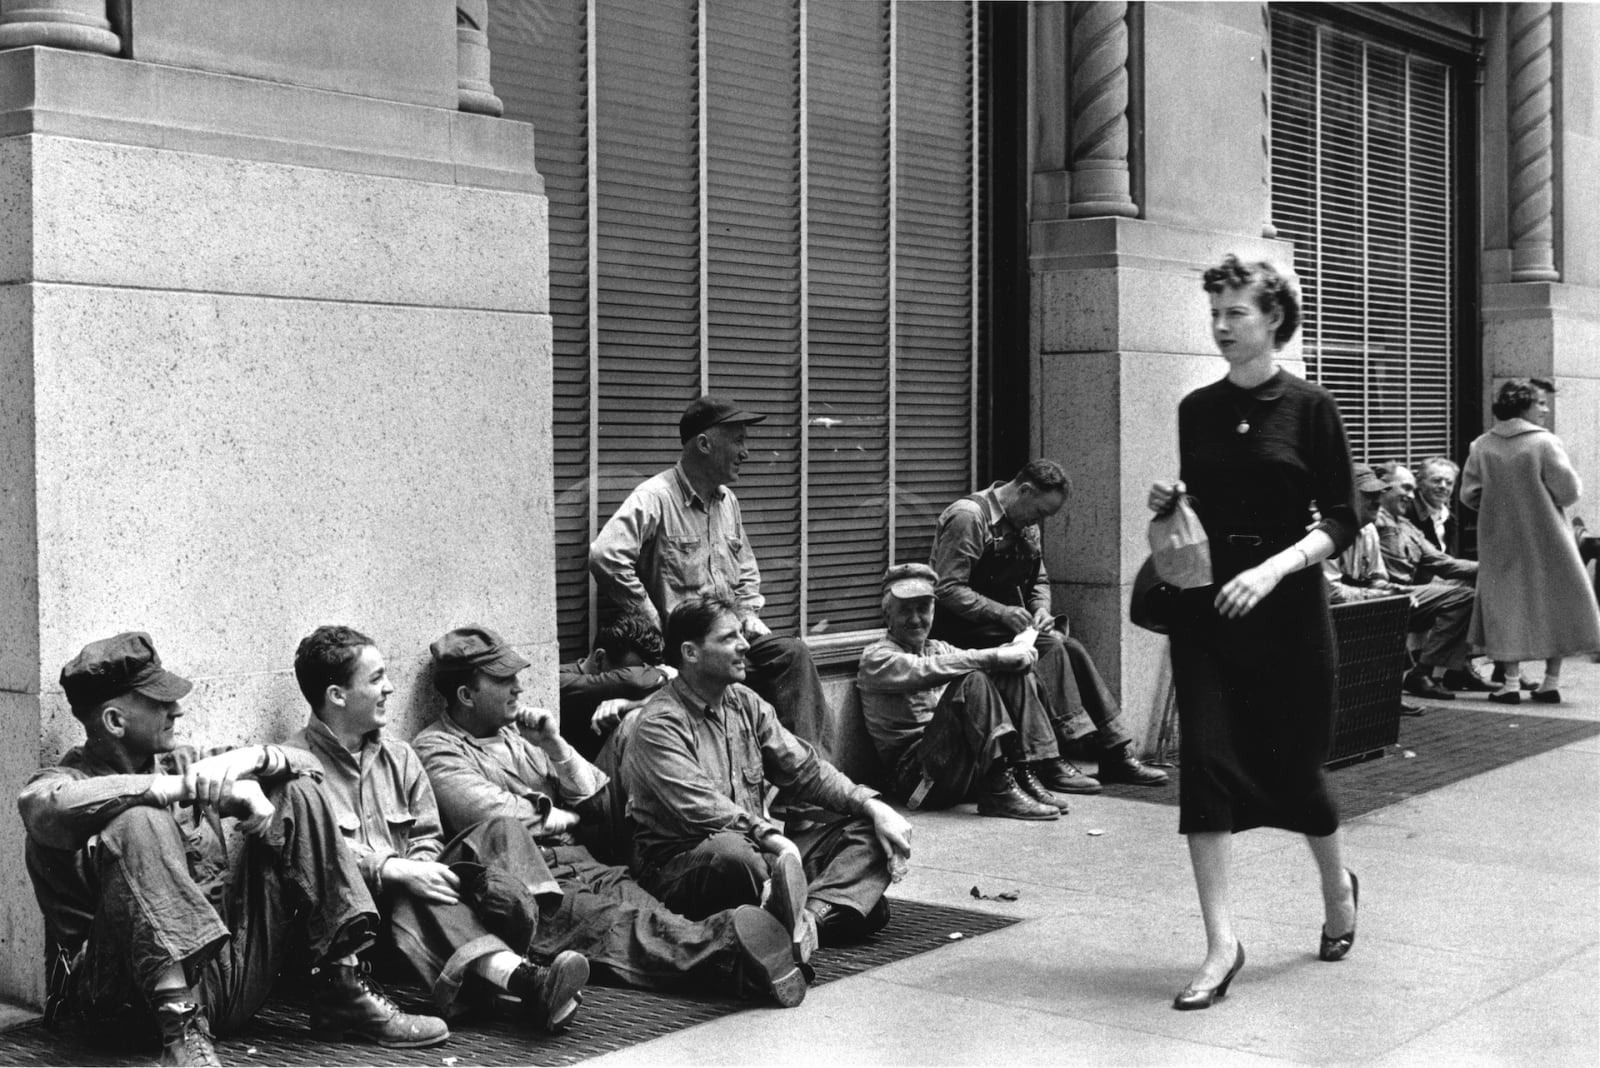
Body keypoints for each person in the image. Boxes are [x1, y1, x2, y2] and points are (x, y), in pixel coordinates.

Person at [18, 632, 447, 1067]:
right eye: (159, 701)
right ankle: (179, 1031)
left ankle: (342, 985)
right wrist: (169, 790)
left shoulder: (187, 761)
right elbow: (39, 809)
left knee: (298, 789)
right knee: (138, 818)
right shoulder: (63, 783)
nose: (177, 709)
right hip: (122, 1004)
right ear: (114, 721)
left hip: (221, 982)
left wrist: (249, 764)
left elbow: (309, 763)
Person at [1146, 254, 1360, 1011]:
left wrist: (1271, 571)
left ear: (1273, 317)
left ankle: (1337, 888)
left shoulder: (1310, 407)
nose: (1222, 325)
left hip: (1289, 607)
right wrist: (1173, 501)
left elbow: (1343, 518)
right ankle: (1221, 944)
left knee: (1298, 771)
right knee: (1205, 768)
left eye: (1236, 311)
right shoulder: (1196, 408)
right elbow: (1204, 499)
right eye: (1215, 312)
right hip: (1207, 608)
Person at [413, 625, 809, 1007]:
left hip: (585, 862)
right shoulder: (436, 747)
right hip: (531, 877)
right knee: (622, 929)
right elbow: (496, 815)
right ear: (466, 694)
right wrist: (568, 815)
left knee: (655, 919)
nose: (518, 687)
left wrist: (556, 747)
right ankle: (747, 950)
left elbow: (599, 800)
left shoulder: (520, 736)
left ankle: (754, 952)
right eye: (503, 680)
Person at [289, 625, 590, 1032]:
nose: (390, 688)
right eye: (376, 679)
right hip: (363, 930)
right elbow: (324, 859)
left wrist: (426, 868)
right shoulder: (297, 768)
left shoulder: (400, 756)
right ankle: (523, 980)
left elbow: (427, 833)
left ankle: (526, 962)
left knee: (500, 828)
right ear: (337, 696)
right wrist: (398, 871)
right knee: (407, 892)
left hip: (422, 904)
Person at [621, 593, 913, 950]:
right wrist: (774, 840)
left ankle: (807, 924)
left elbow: (805, 770)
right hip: (688, 864)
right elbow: (701, 807)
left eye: (742, 635)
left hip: (763, 852)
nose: (745, 645)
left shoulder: (744, 702)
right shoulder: (659, 723)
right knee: (736, 857)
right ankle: (828, 908)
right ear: (690, 653)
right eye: (729, 638)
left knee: (873, 833)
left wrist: (873, 806)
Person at [589, 395, 835, 754]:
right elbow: (605, 555)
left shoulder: (727, 501)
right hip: (688, 649)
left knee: (792, 655)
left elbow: (747, 569)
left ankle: (813, 785)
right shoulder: (655, 497)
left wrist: (748, 616)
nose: (745, 452)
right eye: (737, 440)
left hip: (727, 636)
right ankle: (808, 789)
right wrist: (650, 616)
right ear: (704, 444)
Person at [927, 460, 1169, 792]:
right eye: (1038, 512)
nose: (1038, 522)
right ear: (1024, 490)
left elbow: (1038, 578)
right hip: (963, 634)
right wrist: (1001, 613)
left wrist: (1040, 609)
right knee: (1054, 647)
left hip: (1008, 630)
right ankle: (1050, 759)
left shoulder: (1026, 521)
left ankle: (1115, 750)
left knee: (1071, 647)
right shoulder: (969, 517)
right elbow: (947, 589)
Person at [857, 563, 1068, 821]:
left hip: (958, 769)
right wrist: (996, 656)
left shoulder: (938, 648)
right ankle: (1000, 790)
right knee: (975, 678)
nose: (915, 619)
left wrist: (1016, 655)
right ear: (887, 616)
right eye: (905, 611)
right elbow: (928, 669)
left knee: (1008, 672)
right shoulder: (877, 657)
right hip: (917, 779)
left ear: (934, 612)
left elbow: (965, 659)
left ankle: (1026, 770)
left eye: (923, 609)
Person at [1461, 378, 1600, 703]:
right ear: (1524, 403)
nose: (1545, 408)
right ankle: (1550, 682)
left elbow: (1469, 494)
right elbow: (1568, 492)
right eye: (1540, 402)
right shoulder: (1545, 443)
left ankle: (1510, 684)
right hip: (1548, 537)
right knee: (1555, 601)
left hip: (1500, 539)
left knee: (1506, 605)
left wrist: (1496, 505)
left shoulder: (1482, 445)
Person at [1371, 463, 1487, 698]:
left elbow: (1445, 564)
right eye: (1405, 488)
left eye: (1412, 490)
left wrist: (1494, 570)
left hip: (1411, 596)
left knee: (1479, 585)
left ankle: (1459, 667)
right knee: (1465, 597)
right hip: (1387, 595)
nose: (1410, 496)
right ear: (1383, 488)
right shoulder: (1372, 522)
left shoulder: (1406, 525)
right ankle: (1420, 673)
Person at [1321, 464, 1427, 716]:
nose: (1376, 500)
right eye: (1368, 495)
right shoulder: (1322, 533)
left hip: (1356, 600)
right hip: (1325, 610)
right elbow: (1332, 593)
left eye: (1378, 493)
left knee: (1393, 609)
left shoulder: (1369, 530)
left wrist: (1398, 592)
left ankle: (1388, 694)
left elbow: (1377, 579)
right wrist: (1383, 596)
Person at [557, 612, 673, 760]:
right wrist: (664, 673)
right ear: (599, 658)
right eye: (628, 670)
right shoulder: (561, 681)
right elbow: (635, 681)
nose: (642, 674)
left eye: (645, 669)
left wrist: (631, 704)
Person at [1408, 456, 1462, 555]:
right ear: (1419, 482)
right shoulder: (1407, 513)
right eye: (1437, 480)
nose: (1443, 486)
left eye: (1449, 483)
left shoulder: (1451, 519)